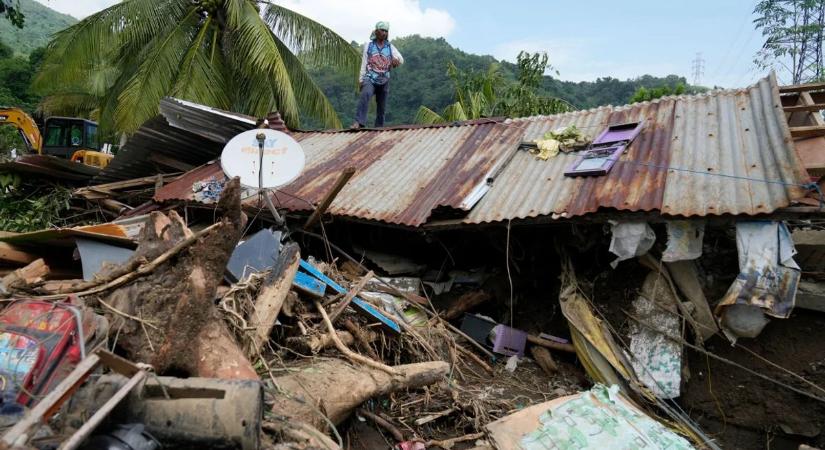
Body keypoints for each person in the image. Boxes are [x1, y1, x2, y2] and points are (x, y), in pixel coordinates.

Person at [351, 21, 404, 129]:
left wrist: (396, 60)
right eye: (382, 30)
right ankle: (359, 122)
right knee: (365, 95)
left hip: (384, 79)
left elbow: (401, 59)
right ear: (376, 31)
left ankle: (379, 127)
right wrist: (361, 79)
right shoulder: (369, 46)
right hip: (370, 77)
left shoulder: (390, 47)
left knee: (382, 106)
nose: (384, 33)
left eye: (386, 31)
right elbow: (364, 63)